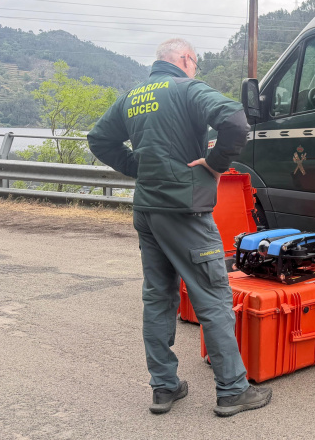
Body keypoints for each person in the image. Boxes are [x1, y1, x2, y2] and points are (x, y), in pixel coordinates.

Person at [87, 38, 272, 417]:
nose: (195, 69)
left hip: (148, 210)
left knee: (158, 298)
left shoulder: (132, 97)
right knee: (213, 296)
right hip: (184, 211)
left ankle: (164, 387)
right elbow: (236, 121)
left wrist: (138, 167)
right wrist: (215, 164)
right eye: (195, 63)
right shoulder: (187, 88)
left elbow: (98, 139)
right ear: (186, 59)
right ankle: (233, 390)